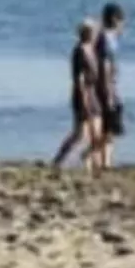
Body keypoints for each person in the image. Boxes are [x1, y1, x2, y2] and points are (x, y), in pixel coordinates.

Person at [51, 19, 102, 170]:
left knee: (97, 134)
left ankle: (87, 158)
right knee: (80, 134)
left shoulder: (91, 49)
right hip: (83, 94)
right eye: (92, 31)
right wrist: (84, 100)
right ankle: (59, 160)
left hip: (92, 93)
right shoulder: (79, 51)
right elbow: (79, 79)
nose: (94, 34)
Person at [94, 2, 126, 169]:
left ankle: (105, 161)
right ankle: (93, 155)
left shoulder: (110, 37)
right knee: (110, 125)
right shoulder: (106, 38)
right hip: (106, 86)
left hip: (111, 85)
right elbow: (104, 65)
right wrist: (108, 92)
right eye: (121, 20)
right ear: (114, 19)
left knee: (110, 127)